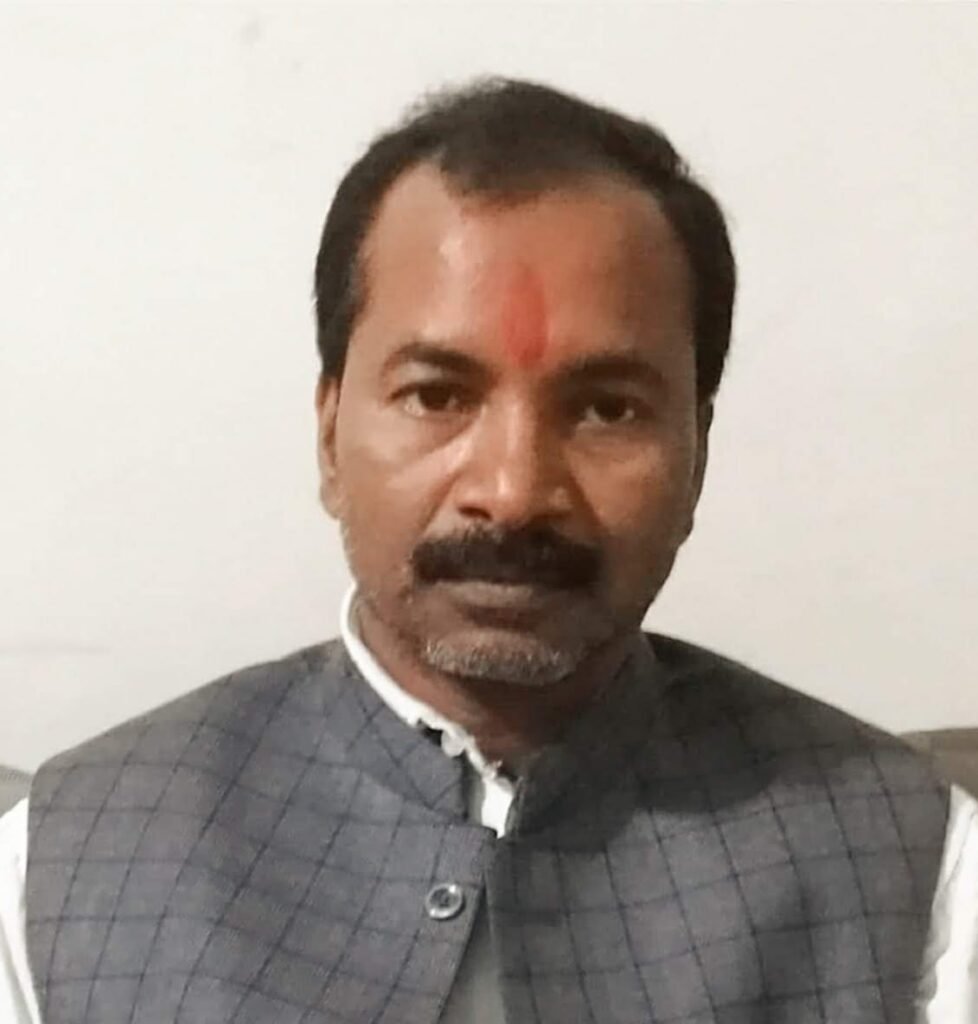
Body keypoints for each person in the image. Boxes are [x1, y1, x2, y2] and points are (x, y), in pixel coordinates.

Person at [1, 77, 975, 1024]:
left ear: (698, 454)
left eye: (607, 409)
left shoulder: (919, 868)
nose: (513, 491)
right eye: (436, 394)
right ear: (330, 436)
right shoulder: (59, 866)